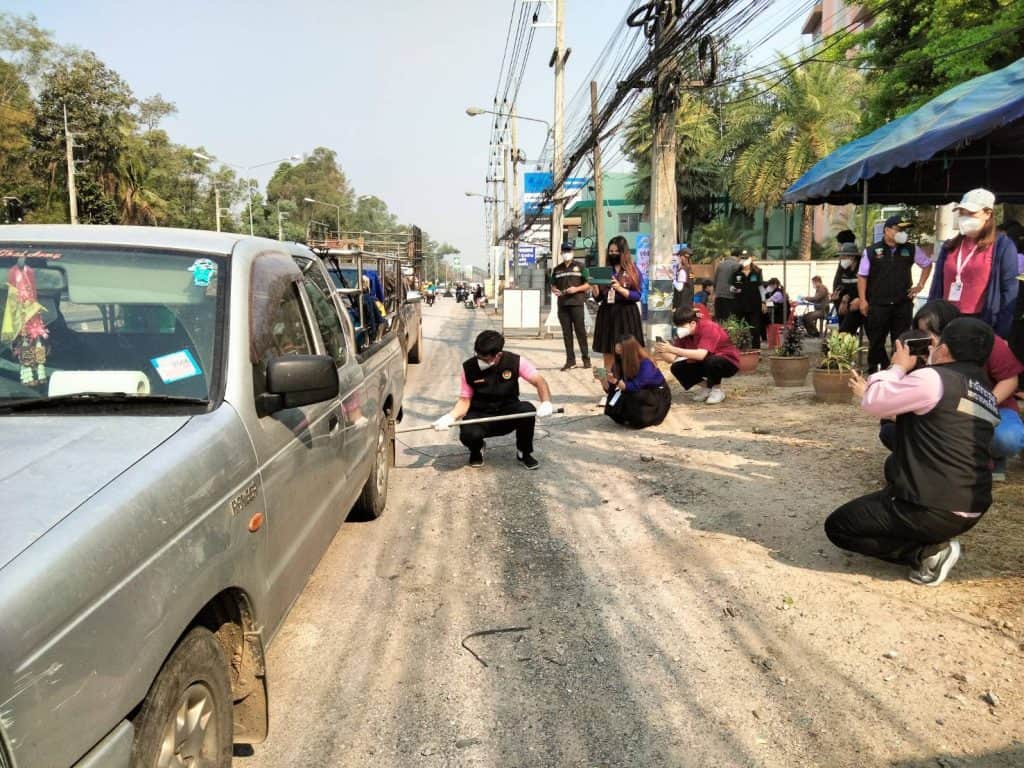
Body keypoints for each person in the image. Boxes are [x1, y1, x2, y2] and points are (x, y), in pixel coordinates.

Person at [825, 318, 1000, 587]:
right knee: (892, 465)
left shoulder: (933, 379)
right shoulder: (986, 393)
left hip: (933, 508)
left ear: (944, 349)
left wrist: (898, 366)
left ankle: (926, 554)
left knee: (840, 526)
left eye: (936, 343)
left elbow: (874, 402)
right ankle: (923, 533)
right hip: (971, 508)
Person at [433, 330, 553, 469]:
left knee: (528, 410)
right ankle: (477, 449)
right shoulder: (469, 368)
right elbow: (465, 401)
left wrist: (546, 402)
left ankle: (524, 452)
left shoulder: (515, 361)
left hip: (507, 412)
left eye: (485, 359)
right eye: (478, 357)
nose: (481, 361)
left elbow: (539, 381)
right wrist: (450, 417)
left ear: (498, 355)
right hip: (481, 415)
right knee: (468, 433)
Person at [927, 189, 1018, 338]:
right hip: (946, 320)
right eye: (962, 213)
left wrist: (1001, 333)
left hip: (980, 323)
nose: (965, 218)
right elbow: (936, 285)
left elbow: (1009, 291)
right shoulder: (949, 246)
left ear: (988, 213)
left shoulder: (1002, 246)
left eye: (971, 213)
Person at [858, 213, 933, 372]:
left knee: (901, 340)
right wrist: (863, 300)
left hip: (902, 304)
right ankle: (876, 371)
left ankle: (900, 370)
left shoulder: (910, 249)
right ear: (887, 230)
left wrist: (920, 285)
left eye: (904, 230)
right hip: (878, 304)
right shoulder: (871, 251)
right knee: (876, 340)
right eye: (898, 229)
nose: (902, 233)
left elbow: (927, 264)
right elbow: (862, 276)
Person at [656, 306, 740, 404]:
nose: (679, 329)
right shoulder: (684, 335)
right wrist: (662, 350)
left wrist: (672, 349)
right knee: (677, 367)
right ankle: (708, 388)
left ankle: (717, 390)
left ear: (692, 323)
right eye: (677, 327)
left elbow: (701, 355)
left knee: (712, 361)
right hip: (705, 362)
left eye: (682, 326)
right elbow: (671, 359)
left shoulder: (709, 327)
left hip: (727, 362)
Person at [592, 235, 645, 391]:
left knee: (629, 353)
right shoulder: (604, 271)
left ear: (623, 252)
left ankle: (630, 387)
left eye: (616, 251)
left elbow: (637, 295)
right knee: (608, 354)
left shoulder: (633, 270)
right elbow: (599, 298)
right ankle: (607, 390)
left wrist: (620, 288)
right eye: (611, 251)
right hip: (607, 315)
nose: (613, 254)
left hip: (627, 314)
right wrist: (594, 286)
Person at [604, 335, 672, 428]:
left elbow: (635, 386)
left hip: (654, 395)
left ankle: (643, 417)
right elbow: (611, 388)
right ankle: (627, 416)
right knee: (614, 395)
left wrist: (616, 381)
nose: (619, 353)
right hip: (633, 390)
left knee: (635, 395)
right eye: (617, 350)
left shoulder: (645, 363)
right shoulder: (619, 362)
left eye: (621, 349)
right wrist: (603, 379)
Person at [550, 242, 591, 370]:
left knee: (580, 332)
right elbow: (552, 285)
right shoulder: (557, 269)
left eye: (569, 251)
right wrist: (554, 290)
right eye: (565, 251)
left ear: (572, 252)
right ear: (561, 253)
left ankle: (586, 359)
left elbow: (588, 283)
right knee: (567, 334)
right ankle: (570, 361)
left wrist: (576, 289)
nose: (567, 253)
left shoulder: (580, 267)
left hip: (576, 303)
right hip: (563, 305)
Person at [729, 251, 764, 349]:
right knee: (740, 328)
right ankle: (740, 349)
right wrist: (735, 290)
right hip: (740, 304)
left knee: (755, 328)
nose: (744, 261)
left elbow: (761, 287)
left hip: (754, 304)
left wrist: (763, 302)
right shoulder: (736, 273)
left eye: (746, 258)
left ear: (750, 260)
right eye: (742, 258)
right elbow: (731, 287)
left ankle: (756, 349)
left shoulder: (757, 272)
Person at [833, 242, 862, 333]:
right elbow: (838, 284)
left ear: (852, 257)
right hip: (845, 303)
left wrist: (858, 299)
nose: (841, 259)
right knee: (843, 330)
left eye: (843, 256)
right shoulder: (842, 268)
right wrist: (841, 299)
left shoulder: (863, 267)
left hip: (860, 304)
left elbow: (867, 288)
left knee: (844, 331)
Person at [713, 249, 741, 321]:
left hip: (719, 296)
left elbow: (715, 280)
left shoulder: (720, 265)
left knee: (719, 320)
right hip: (730, 297)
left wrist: (715, 292)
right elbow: (738, 283)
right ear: (739, 256)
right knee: (729, 320)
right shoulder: (737, 265)